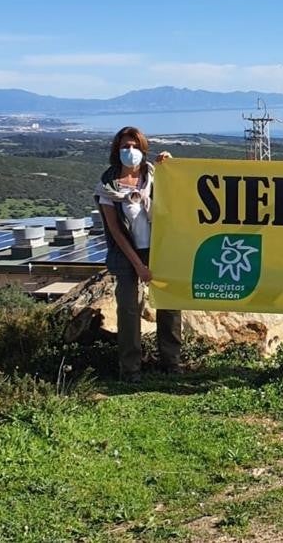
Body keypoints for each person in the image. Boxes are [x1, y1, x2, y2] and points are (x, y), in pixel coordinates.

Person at [96, 126, 179, 383]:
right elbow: (116, 232)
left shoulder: (154, 176)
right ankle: (130, 369)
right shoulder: (107, 187)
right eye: (124, 146)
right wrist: (139, 266)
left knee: (169, 306)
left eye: (134, 146)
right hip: (126, 255)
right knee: (129, 311)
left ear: (143, 149)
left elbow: (179, 192)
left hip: (160, 250)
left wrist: (170, 165)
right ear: (116, 150)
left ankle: (171, 362)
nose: (129, 151)